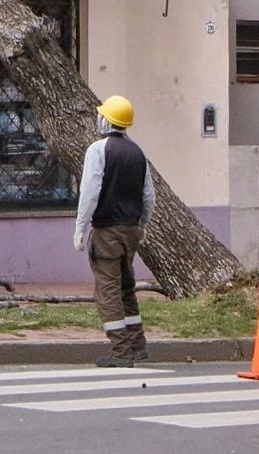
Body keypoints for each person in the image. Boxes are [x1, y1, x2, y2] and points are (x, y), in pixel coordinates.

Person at [73, 94, 156, 367]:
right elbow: (149, 196)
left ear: (105, 119)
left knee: (107, 290)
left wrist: (79, 227)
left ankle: (120, 351)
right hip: (131, 229)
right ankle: (137, 344)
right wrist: (142, 225)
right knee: (125, 287)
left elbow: (90, 192)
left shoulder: (97, 150)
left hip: (106, 230)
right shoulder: (138, 152)